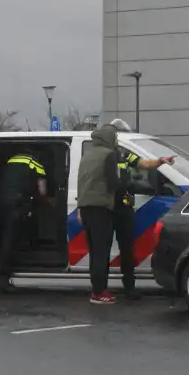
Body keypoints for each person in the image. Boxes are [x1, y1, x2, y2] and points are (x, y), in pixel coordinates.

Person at [107, 119, 174, 300]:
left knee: (127, 248)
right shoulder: (104, 155)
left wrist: (160, 162)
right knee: (102, 249)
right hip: (106, 207)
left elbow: (144, 164)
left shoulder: (123, 155)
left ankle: (129, 286)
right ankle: (100, 288)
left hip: (124, 207)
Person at [0, 148, 48, 293]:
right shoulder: (36, 164)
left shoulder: (11, 160)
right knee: (11, 240)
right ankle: (3, 280)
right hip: (17, 204)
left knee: (1, 239)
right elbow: (42, 191)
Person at [76, 125, 121, 305]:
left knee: (94, 251)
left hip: (85, 207)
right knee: (102, 251)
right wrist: (124, 184)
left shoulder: (87, 154)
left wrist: (80, 207)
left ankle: (95, 290)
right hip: (101, 207)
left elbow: (81, 180)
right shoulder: (109, 155)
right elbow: (112, 183)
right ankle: (100, 291)